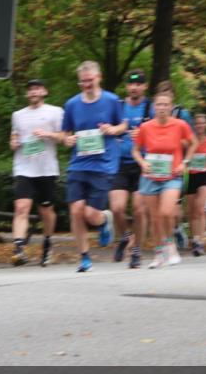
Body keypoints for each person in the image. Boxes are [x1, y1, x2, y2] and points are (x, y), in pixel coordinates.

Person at [60, 61, 126, 272]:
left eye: (90, 80)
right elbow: (64, 132)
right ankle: (84, 257)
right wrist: (66, 140)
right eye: (83, 81)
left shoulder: (111, 100)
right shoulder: (71, 104)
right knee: (76, 210)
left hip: (103, 164)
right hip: (78, 163)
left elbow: (124, 125)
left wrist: (112, 129)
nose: (87, 84)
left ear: (99, 78)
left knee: (90, 214)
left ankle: (104, 219)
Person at [132, 87, 196, 268]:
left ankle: (171, 245)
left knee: (166, 212)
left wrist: (185, 162)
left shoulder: (179, 125)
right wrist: (142, 163)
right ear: (153, 106)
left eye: (166, 105)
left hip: (172, 175)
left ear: (170, 107)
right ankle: (158, 254)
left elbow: (193, 143)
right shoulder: (145, 127)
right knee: (155, 218)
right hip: (150, 175)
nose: (162, 108)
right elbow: (135, 150)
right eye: (159, 104)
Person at [9, 79, 64, 266]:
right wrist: (13, 143)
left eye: (37, 89)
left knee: (46, 210)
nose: (33, 92)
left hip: (46, 168)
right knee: (21, 207)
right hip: (24, 168)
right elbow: (14, 137)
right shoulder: (18, 115)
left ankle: (48, 243)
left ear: (44, 91)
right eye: (30, 89)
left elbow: (64, 136)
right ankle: (19, 249)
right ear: (27, 94)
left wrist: (47, 134)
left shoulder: (55, 112)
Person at [110, 68, 150, 269]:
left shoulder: (150, 107)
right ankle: (125, 236)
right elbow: (108, 128)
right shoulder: (118, 106)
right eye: (131, 84)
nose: (134, 87)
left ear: (144, 86)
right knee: (117, 208)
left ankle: (137, 250)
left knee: (139, 210)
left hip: (142, 164)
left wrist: (144, 138)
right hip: (119, 163)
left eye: (138, 84)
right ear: (127, 86)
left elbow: (161, 133)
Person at [185, 113, 206, 256]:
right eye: (197, 123)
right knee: (192, 211)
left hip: (205, 176)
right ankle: (195, 239)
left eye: (202, 123)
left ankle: (200, 240)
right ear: (194, 125)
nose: (200, 126)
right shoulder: (189, 141)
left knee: (200, 208)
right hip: (191, 175)